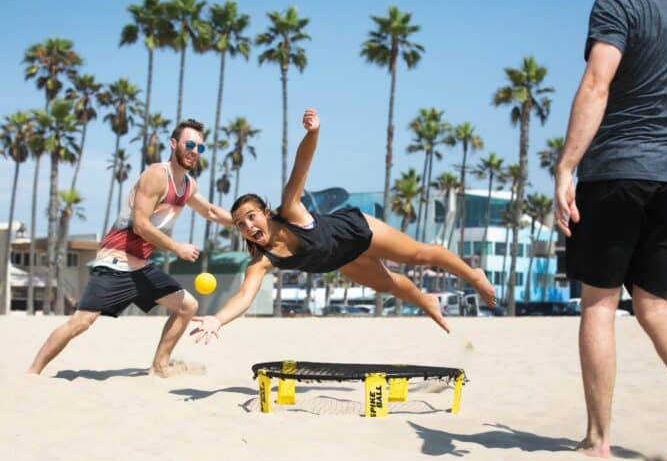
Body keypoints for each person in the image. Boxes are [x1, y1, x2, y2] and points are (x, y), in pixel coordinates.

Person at [189, 108, 496, 340]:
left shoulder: (290, 210)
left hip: (356, 231)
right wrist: (217, 319)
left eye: (251, 216)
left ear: (266, 212)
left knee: (418, 254)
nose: (248, 226)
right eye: (241, 224)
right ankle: (427, 301)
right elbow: (244, 296)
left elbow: (301, 167)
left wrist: (313, 134)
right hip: (340, 259)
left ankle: (473, 274)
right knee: (389, 285)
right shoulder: (260, 262)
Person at [554, 0, 667, 461]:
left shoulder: (619, 4)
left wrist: (566, 166)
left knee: (599, 305)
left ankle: (598, 439)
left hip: (617, 170)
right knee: (655, 304)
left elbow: (597, 84)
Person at [28, 118, 234, 378]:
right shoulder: (157, 175)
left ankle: (159, 366)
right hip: (115, 262)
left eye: (200, 148)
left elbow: (212, 212)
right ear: (174, 144)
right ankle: (32, 372)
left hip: (141, 267)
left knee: (187, 306)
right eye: (189, 144)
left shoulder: (189, 186)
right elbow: (140, 225)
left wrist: (247, 221)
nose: (194, 151)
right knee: (82, 321)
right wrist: (177, 248)